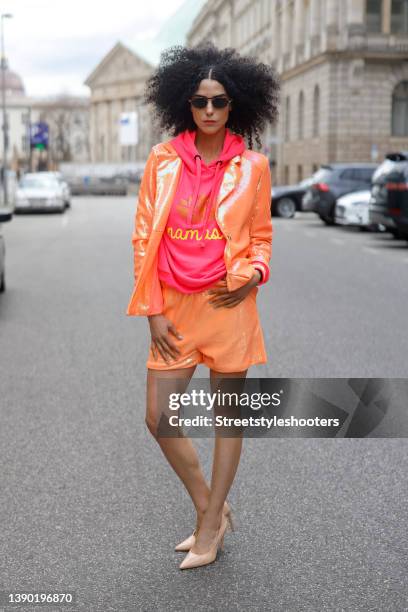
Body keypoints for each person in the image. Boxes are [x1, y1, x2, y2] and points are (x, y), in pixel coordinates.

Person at [126, 42, 280, 570]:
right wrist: (152, 310)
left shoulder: (253, 166)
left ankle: (209, 526)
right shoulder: (163, 160)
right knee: (158, 417)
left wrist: (253, 274)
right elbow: (145, 238)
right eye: (199, 102)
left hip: (228, 304)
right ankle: (209, 506)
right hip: (173, 306)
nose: (209, 111)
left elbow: (261, 236)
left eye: (219, 101)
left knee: (226, 419)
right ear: (184, 105)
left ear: (234, 104)